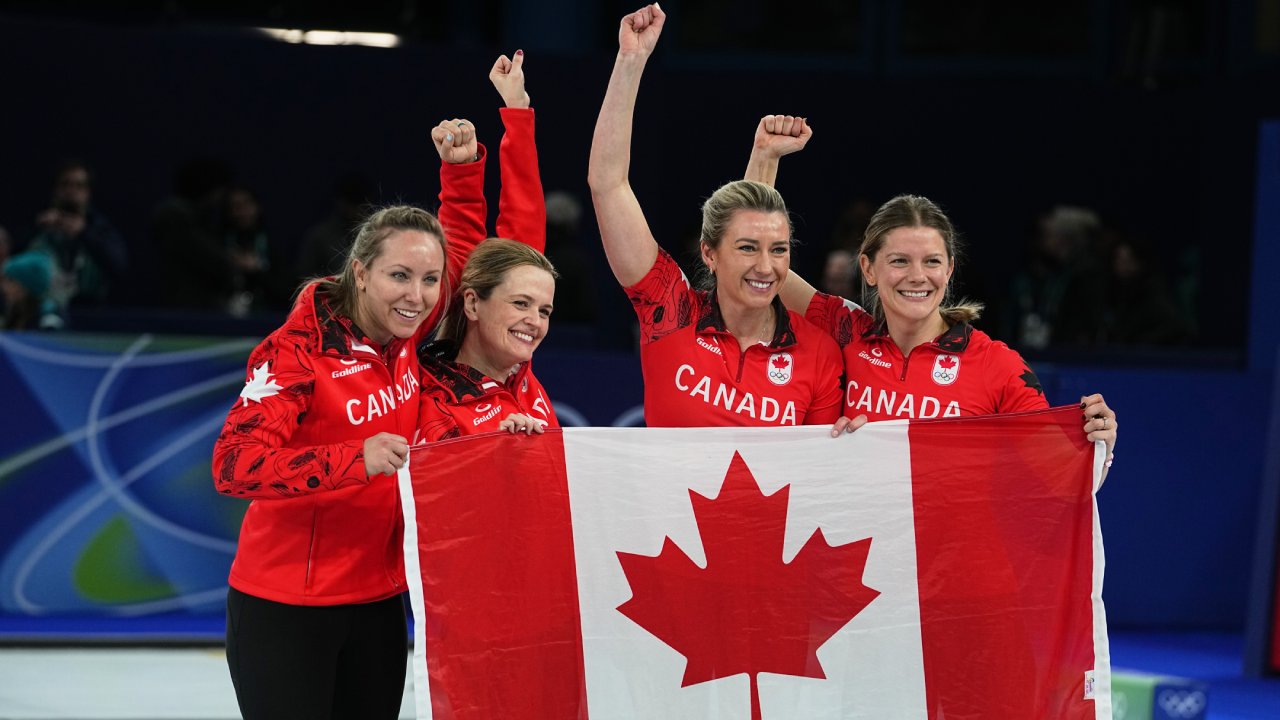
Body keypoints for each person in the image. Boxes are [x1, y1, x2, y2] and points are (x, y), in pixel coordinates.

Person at [744, 116, 1117, 476]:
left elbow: (1059, 473)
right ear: (869, 269)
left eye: (932, 261)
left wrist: (1101, 447)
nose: (918, 276)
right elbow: (761, 266)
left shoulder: (996, 365)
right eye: (900, 261)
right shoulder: (846, 331)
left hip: (948, 541)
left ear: (950, 269)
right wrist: (764, 158)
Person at [211, 205, 446, 720]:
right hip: (287, 610)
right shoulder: (296, 353)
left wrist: (460, 174)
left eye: (431, 279)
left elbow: (472, 258)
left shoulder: (403, 335)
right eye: (399, 275)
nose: (417, 296)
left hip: (380, 604)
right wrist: (352, 459)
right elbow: (233, 465)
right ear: (360, 273)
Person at [587, 4, 843, 428]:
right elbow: (608, 184)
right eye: (746, 248)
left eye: (778, 249)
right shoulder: (670, 313)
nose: (766, 266)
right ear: (709, 253)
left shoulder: (818, 351)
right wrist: (630, 61)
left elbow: (819, 481)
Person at [417, 239, 559, 441]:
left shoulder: (522, 378)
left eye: (544, 311)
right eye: (520, 303)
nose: (535, 321)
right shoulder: (438, 406)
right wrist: (490, 453)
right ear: (473, 304)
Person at [27, 159, 128, 325]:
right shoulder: (39, 229)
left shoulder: (100, 230)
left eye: (79, 185)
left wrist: (84, 233)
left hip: (91, 315)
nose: (71, 191)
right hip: (40, 314)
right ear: (56, 190)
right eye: (65, 184)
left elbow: (118, 265)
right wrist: (40, 229)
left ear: (88, 192)